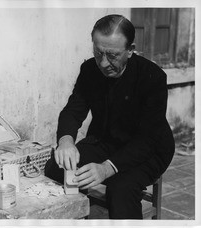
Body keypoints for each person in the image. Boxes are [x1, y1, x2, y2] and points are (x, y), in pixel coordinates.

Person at [45, 14, 175, 219]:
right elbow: (73, 110)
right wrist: (66, 140)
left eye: (113, 55)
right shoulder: (89, 69)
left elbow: (148, 139)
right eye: (98, 53)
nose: (103, 63)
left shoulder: (153, 77)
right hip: (106, 140)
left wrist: (107, 168)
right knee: (57, 166)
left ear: (130, 50)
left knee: (121, 188)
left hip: (148, 149)